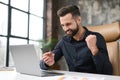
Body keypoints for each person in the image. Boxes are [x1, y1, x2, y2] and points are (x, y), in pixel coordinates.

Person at [40, 5, 113, 75]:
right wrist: (47, 62)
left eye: (68, 24)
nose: (65, 29)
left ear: (79, 20)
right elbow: (42, 65)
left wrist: (94, 49)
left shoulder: (97, 38)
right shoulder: (64, 42)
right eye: (63, 25)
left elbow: (107, 72)